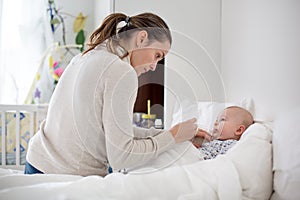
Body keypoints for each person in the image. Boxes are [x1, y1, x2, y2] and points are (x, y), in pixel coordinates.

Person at [24, 12, 198, 176]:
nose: (154, 66)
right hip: (66, 175)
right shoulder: (121, 71)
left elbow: (109, 130)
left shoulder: (87, 56)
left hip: (36, 162)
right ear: (142, 38)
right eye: (157, 55)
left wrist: (171, 132)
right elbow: (121, 158)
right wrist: (172, 137)